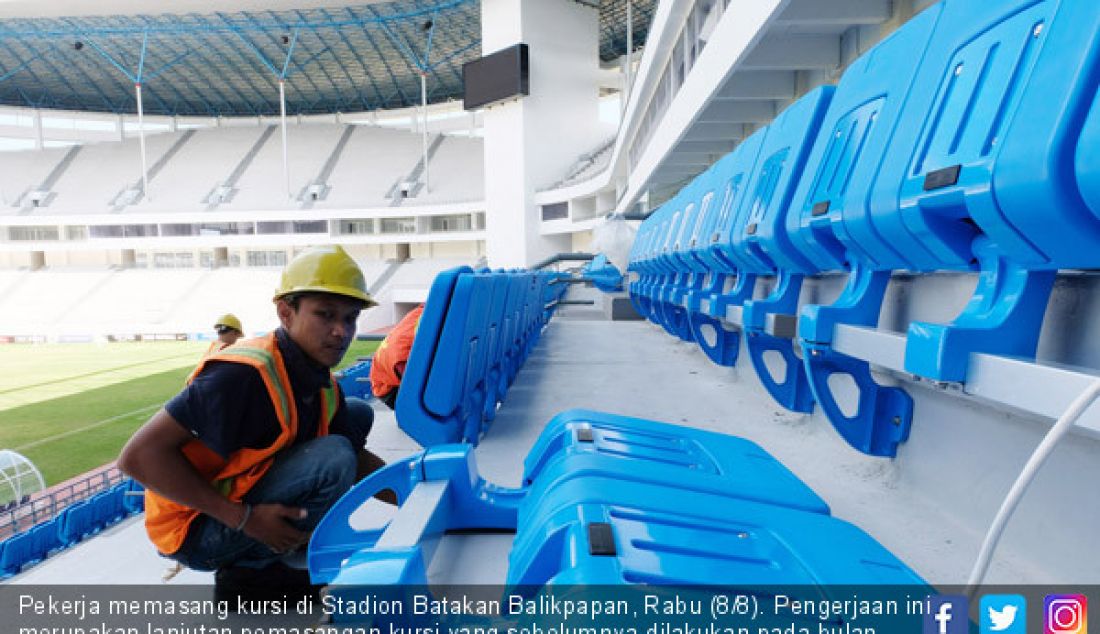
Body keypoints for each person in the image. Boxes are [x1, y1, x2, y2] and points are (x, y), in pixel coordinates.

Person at [119, 245, 386, 601]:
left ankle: (269, 556)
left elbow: (361, 461)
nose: (341, 331)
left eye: (350, 318)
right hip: (195, 529)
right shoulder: (241, 377)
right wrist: (245, 518)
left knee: (353, 416)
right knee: (334, 455)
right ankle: (252, 575)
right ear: (285, 313)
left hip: (236, 504)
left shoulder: (320, 382)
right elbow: (137, 457)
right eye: (325, 315)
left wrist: (416, 491)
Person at [369, 304, 423, 410]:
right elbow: (413, 384)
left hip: (387, 379)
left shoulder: (421, 313)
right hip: (389, 389)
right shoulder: (402, 357)